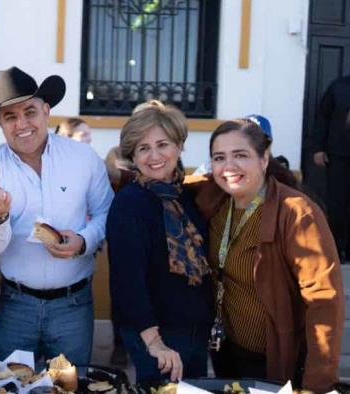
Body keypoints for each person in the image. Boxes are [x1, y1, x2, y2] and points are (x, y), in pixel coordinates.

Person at [0, 66, 113, 364]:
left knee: (72, 385)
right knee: (7, 385)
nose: (22, 123)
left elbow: (106, 213)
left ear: (46, 111)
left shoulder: (84, 158)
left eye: (29, 112)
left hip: (74, 305)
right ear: (0, 123)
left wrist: (83, 241)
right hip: (16, 305)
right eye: (10, 116)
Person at [193, 119, 344, 392]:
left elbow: (325, 303)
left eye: (241, 155)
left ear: (264, 159)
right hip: (226, 350)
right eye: (219, 157)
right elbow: (169, 181)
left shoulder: (297, 213)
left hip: (273, 360)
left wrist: (318, 383)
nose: (229, 166)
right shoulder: (214, 199)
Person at [106, 101, 214, 382]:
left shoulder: (188, 195)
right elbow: (127, 280)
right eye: (143, 148)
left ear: (179, 145)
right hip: (156, 338)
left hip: (195, 330)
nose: (154, 156)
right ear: (133, 154)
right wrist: (154, 342)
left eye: (162, 144)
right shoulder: (129, 202)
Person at [312, 75, 350, 262]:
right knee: (337, 203)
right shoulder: (338, 87)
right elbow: (322, 118)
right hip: (338, 156)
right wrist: (318, 148)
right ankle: (337, 248)